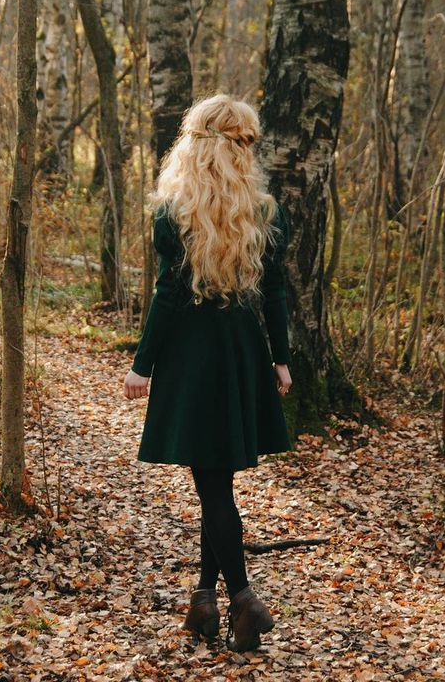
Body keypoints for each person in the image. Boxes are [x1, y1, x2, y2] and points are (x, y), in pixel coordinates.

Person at [123, 93, 293, 652]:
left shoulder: (177, 209)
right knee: (214, 481)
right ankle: (204, 599)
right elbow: (275, 291)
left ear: (194, 144)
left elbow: (170, 293)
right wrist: (279, 357)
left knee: (212, 484)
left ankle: (243, 598)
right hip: (242, 352)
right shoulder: (264, 208)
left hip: (194, 359)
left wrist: (142, 365)